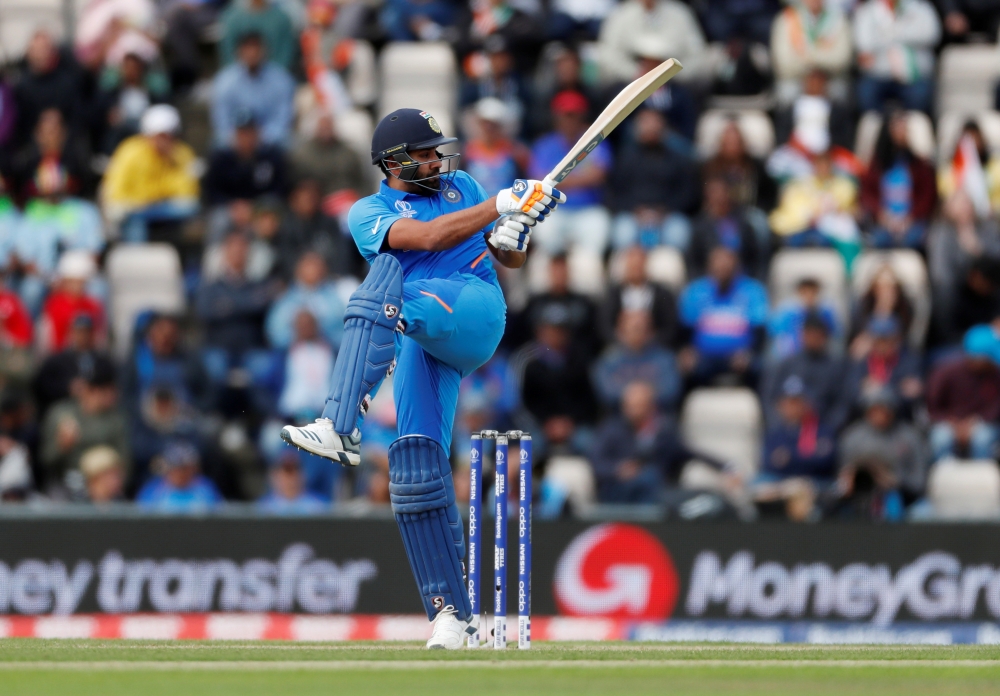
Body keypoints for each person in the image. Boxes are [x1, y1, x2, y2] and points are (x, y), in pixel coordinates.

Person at [277, 108, 566, 648]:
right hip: (421, 331)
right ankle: (452, 616)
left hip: (474, 308)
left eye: (438, 150)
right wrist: (502, 206)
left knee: (377, 289)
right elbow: (429, 238)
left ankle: (340, 425)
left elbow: (506, 257)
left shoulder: (463, 186)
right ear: (392, 163)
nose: (436, 160)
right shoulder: (367, 212)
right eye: (424, 153)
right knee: (413, 471)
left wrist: (517, 228)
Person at [592, 380, 735, 503]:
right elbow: (596, 462)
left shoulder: (664, 433)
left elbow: (689, 452)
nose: (632, 410)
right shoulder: (611, 430)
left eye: (638, 405)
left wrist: (726, 467)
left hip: (656, 494)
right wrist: (618, 469)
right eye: (629, 405)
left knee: (654, 478)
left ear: (650, 406)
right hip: (619, 491)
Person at [528, 91, 611, 254]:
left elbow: (598, 176)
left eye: (574, 115)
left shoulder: (594, 142)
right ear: (556, 117)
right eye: (565, 115)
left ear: (582, 117)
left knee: (596, 236)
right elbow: (538, 181)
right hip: (553, 210)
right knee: (546, 238)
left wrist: (557, 181)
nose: (569, 120)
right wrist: (582, 178)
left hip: (588, 209)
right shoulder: (545, 144)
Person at [101, 104, 199, 242]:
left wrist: (172, 159)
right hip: (134, 209)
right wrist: (152, 197)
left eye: (169, 135)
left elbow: (188, 193)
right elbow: (117, 192)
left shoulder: (181, 154)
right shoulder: (130, 152)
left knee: (187, 208)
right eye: (160, 135)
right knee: (131, 219)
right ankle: (136, 257)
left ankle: (175, 253)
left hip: (163, 208)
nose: (165, 140)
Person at [679, 245, 769, 388]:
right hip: (703, 356)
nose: (722, 271)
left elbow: (760, 331)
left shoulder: (753, 291)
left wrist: (749, 353)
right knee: (685, 368)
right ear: (709, 268)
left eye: (727, 267)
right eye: (717, 267)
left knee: (760, 367)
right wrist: (687, 351)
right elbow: (685, 331)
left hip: (741, 356)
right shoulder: (695, 291)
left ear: (736, 268)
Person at [609, 107, 697, 251]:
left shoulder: (677, 159)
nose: (651, 127)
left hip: (668, 215)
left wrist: (665, 210)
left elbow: (687, 193)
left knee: (679, 234)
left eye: (655, 122)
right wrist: (635, 209)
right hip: (633, 215)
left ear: (663, 125)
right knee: (622, 234)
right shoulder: (625, 157)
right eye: (645, 122)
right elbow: (615, 191)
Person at [834, 388, 927, 518]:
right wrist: (848, 481)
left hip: (902, 498)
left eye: (883, 409)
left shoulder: (910, 437)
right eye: (874, 410)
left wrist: (893, 480)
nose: (879, 415)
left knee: (922, 511)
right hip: (858, 497)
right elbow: (842, 475)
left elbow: (919, 482)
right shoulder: (852, 437)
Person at [756, 374, 837, 521]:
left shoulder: (821, 430)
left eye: (796, 402)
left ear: (806, 403)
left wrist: (790, 457)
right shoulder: (775, 433)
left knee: (804, 489)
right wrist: (806, 455)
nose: (791, 407)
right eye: (787, 402)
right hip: (781, 483)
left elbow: (824, 461)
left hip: (815, 482)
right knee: (757, 484)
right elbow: (769, 463)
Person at [39, 360, 128, 492]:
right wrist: (62, 446)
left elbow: (126, 465)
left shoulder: (116, 420)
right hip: (66, 483)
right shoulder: (60, 413)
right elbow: (45, 460)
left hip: (104, 485)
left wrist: (111, 478)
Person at [762, 311, 850, 432]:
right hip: (787, 429)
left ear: (825, 336)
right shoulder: (787, 364)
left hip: (822, 431)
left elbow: (842, 404)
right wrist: (780, 427)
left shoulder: (836, 366)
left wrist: (826, 430)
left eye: (817, 334)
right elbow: (769, 398)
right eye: (808, 334)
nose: (812, 338)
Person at [861, 111, 938, 249]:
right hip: (883, 221)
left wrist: (911, 218)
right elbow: (867, 194)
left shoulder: (919, 165)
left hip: (911, 222)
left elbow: (927, 196)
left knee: (913, 240)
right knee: (879, 240)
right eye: (898, 128)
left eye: (905, 129)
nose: (903, 133)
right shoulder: (876, 165)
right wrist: (881, 215)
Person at [929, 190, 1000, 338]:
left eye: (967, 203)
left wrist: (976, 248)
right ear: (947, 208)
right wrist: (968, 278)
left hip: (990, 286)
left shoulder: (988, 227)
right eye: (959, 203)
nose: (964, 208)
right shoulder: (942, 232)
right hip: (959, 289)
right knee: (944, 290)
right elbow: (940, 270)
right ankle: (950, 337)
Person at [853, 0, 940, 114]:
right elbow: (864, 47)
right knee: (866, 95)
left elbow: (931, 34)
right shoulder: (867, 11)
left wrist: (894, 35)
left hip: (914, 76)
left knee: (920, 96)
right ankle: (880, 128)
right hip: (879, 74)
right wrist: (896, 37)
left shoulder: (920, 7)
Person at [211, 31, 295, 148]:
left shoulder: (281, 80)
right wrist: (241, 140)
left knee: (287, 144)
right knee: (218, 147)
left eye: (256, 48)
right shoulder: (224, 81)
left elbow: (282, 122)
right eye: (247, 48)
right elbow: (221, 124)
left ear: (266, 51)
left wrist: (259, 139)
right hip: (234, 144)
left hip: (269, 143)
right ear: (238, 52)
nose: (252, 53)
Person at [927, 328, 1000, 461]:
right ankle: (945, 479)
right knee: (941, 439)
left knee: (983, 439)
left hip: (981, 422)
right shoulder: (946, 372)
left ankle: (981, 479)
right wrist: (953, 423)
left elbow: (996, 406)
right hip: (948, 422)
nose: (991, 361)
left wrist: (975, 422)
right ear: (973, 357)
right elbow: (932, 406)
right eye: (988, 357)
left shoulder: (995, 373)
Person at [597, 0, 707, 85]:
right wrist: (635, 73)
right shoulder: (620, 15)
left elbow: (697, 54)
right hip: (628, 84)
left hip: (674, 84)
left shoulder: (680, 14)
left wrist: (670, 75)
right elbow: (608, 54)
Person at [592, 310, 680, 412]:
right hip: (619, 414)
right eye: (633, 329)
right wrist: (630, 394)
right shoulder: (608, 359)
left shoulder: (665, 358)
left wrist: (644, 396)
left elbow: (672, 389)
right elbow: (605, 391)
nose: (637, 333)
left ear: (651, 332)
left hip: (657, 414)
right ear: (620, 331)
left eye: (642, 328)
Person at [770, 0, 852, 107]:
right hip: (797, 78)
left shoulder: (838, 19)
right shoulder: (787, 18)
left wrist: (810, 59)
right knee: (787, 92)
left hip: (829, 78)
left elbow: (842, 60)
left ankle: (836, 123)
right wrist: (811, 69)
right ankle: (789, 123)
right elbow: (783, 63)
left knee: (840, 90)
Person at [518, 253, 599, 358]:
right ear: (549, 272)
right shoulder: (535, 303)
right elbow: (525, 333)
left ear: (569, 273)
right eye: (556, 271)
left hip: (574, 359)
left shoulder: (583, 303)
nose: (559, 275)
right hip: (540, 358)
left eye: (562, 271)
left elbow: (591, 337)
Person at [34, 314, 113, 420]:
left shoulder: (103, 361)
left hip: (98, 411)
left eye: (87, 332)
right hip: (66, 409)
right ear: (71, 333)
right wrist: (68, 388)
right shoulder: (56, 361)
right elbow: (42, 387)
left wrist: (100, 395)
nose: (83, 336)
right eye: (79, 332)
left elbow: (112, 387)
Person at [846, 316, 923, 420]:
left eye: (886, 340)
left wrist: (881, 388)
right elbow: (850, 393)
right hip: (865, 419)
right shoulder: (861, 361)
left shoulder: (910, 360)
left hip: (900, 419)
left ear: (897, 339)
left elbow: (911, 396)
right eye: (878, 340)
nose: (881, 346)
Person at [204, 111, 288, 207]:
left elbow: (279, 190)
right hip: (231, 208)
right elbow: (212, 192)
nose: (246, 138)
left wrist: (255, 206)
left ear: (257, 133)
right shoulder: (221, 159)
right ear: (235, 134)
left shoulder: (272, 157)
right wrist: (233, 205)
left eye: (250, 132)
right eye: (242, 133)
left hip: (262, 208)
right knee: (220, 219)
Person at [600, 245, 678, 348]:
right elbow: (604, 326)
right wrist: (624, 341)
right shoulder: (612, 294)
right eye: (632, 266)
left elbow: (670, 327)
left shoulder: (663, 294)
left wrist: (649, 341)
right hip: (621, 350)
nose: (635, 269)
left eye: (639, 265)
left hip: (654, 349)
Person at [266, 252, 347, 351]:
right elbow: (275, 333)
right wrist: (298, 335)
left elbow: (343, 333)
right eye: (308, 265)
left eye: (316, 265)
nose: (313, 269)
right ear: (298, 269)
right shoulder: (286, 299)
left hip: (329, 352)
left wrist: (318, 332)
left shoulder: (335, 297)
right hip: (290, 354)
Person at [688, 177, 759, 279]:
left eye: (722, 191)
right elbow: (694, 261)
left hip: (742, 280)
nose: (718, 196)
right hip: (709, 281)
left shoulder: (743, 223)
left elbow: (754, 258)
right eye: (714, 192)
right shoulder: (699, 227)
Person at [38, 251, 106, 355]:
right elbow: (47, 342)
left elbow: (99, 339)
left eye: (80, 281)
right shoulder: (53, 305)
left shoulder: (93, 305)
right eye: (72, 281)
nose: (76, 286)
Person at [136, 441, 224, 512]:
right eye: (176, 468)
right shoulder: (153, 490)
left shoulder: (206, 488)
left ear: (193, 468)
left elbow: (220, 516)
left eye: (184, 468)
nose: (180, 473)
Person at [768, 278, 839, 359]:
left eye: (813, 292)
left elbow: (835, 334)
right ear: (799, 292)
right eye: (805, 292)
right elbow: (777, 336)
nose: (809, 296)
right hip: (791, 356)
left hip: (817, 357)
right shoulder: (787, 312)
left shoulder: (826, 312)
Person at [220, 0, 297, 72]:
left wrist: (272, 75)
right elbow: (228, 55)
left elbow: (286, 54)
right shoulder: (233, 20)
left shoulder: (281, 19)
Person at [257, 449, 328, 514]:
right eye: (286, 471)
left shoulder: (320, 506)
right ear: (275, 475)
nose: (291, 478)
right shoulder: (262, 509)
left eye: (295, 470)